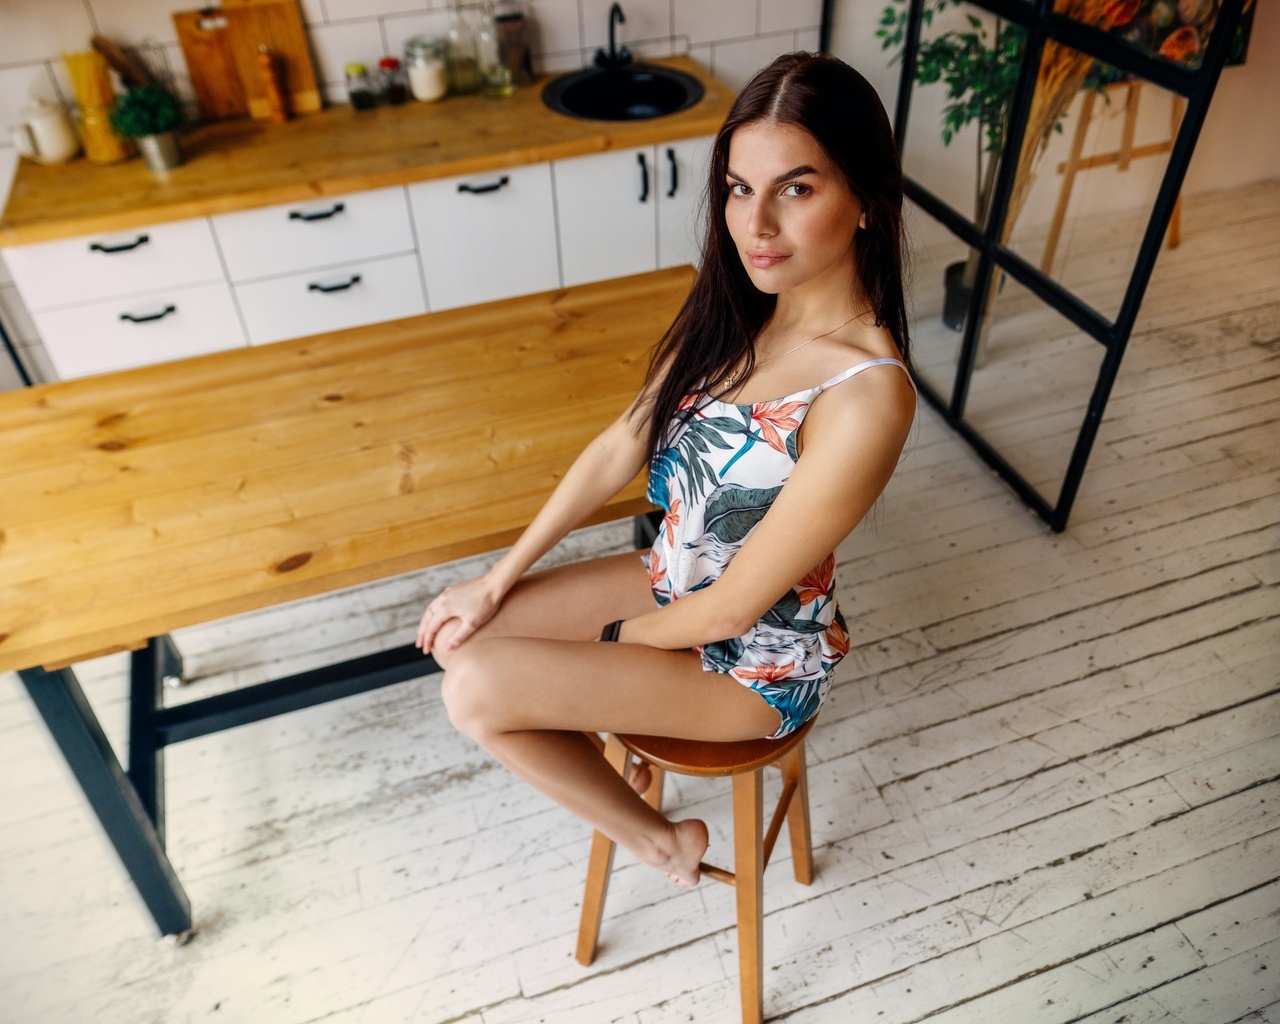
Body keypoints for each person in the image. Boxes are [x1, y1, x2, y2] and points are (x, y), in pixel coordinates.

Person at [415, 52, 916, 887]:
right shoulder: (732, 310)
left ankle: (657, 841)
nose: (756, 226)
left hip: (752, 666)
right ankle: (630, 774)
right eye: (737, 188)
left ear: (864, 198)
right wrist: (495, 582)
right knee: (465, 635)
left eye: (797, 188)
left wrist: (615, 652)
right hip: (673, 586)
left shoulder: (866, 395)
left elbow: (735, 605)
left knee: (472, 690)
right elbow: (622, 442)